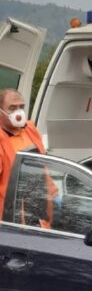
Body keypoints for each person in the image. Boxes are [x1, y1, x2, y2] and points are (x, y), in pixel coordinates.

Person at [0, 88, 49, 219]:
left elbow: (42, 166)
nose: (18, 112)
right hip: (12, 216)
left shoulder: (29, 129)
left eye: (21, 107)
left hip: (39, 208)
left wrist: (54, 195)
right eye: (12, 108)